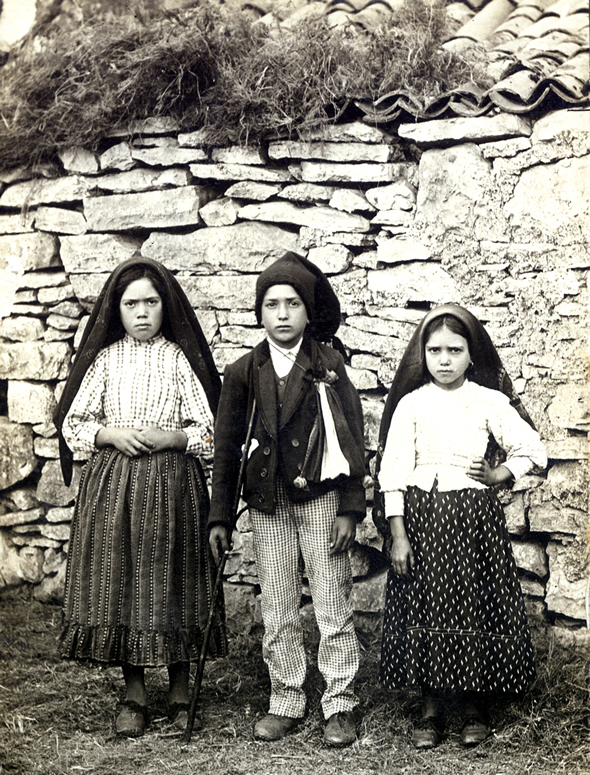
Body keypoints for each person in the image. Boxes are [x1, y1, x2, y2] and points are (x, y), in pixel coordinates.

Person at [54, 257, 226, 738]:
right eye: (132, 304)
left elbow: (209, 430)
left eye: (152, 302)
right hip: (115, 486)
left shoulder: (177, 359)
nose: (143, 312)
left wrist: (172, 438)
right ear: (118, 310)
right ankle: (133, 692)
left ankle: (179, 688)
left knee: (174, 579)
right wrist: (109, 433)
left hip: (172, 486)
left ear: (165, 306)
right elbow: (74, 424)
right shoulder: (106, 360)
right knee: (123, 580)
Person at [208, 252, 367, 747]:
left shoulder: (328, 364)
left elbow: (352, 438)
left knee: (330, 597)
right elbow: (227, 446)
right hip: (267, 502)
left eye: (292, 304)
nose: (282, 314)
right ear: (259, 312)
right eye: (272, 304)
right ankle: (286, 696)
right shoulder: (243, 371)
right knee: (277, 601)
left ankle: (340, 701)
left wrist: (349, 506)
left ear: (307, 311)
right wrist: (220, 516)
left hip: (320, 499)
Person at [374, 303, 547, 749]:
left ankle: (473, 704)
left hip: (474, 523)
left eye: (455, 349)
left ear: (473, 354)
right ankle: (431, 706)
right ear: (422, 355)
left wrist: (498, 475)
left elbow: (532, 448)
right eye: (435, 350)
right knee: (427, 604)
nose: (445, 360)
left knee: (471, 602)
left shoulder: (488, 400)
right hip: (421, 519)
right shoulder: (411, 404)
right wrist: (398, 535)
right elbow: (393, 471)